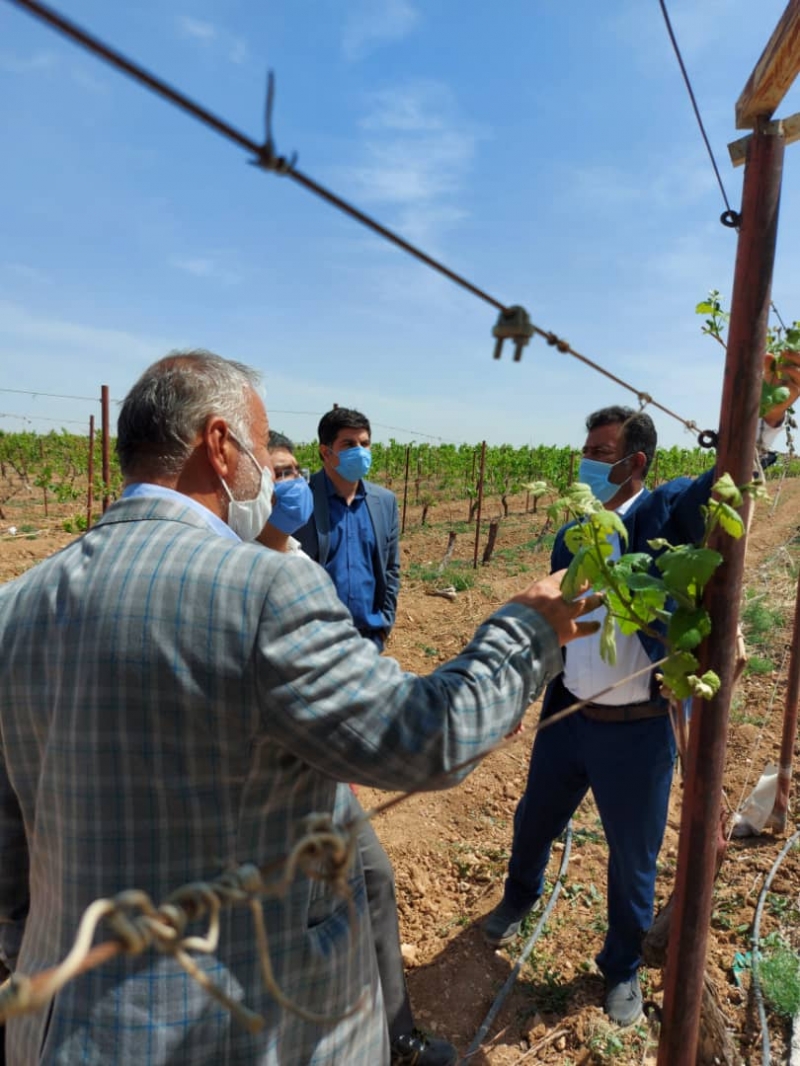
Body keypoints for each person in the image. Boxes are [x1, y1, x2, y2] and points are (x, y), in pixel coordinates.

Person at [0, 350, 601, 1066]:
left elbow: (11, 851)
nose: (268, 474)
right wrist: (527, 629)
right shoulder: (261, 590)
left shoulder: (18, 605)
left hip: (60, 1029)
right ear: (220, 447)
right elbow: (425, 740)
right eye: (260, 449)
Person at [482, 352, 800, 1028]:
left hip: (638, 727)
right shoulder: (575, 532)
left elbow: (720, 483)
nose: (588, 465)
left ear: (636, 462)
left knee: (632, 863)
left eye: (601, 453)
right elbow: (560, 623)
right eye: (586, 452)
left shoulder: (661, 511)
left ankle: (621, 968)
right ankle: (516, 900)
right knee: (534, 821)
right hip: (568, 712)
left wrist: (765, 421)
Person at [262, 434, 457, 1066]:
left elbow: (383, 579)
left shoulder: (295, 558)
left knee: (372, 878)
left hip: (317, 754)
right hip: (259, 783)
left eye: (291, 472)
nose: (289, 487)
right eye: (275, 475)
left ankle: (395, 1032)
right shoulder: (238, 573)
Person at [295, 407, 399, 651]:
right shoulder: (300, 498)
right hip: (314, 641)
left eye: (365, 444)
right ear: (325, 452)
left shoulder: (384, 501)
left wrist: (384, 626)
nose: (360, 452)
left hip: (368, 640)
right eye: (349, 444)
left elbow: (391, 568)